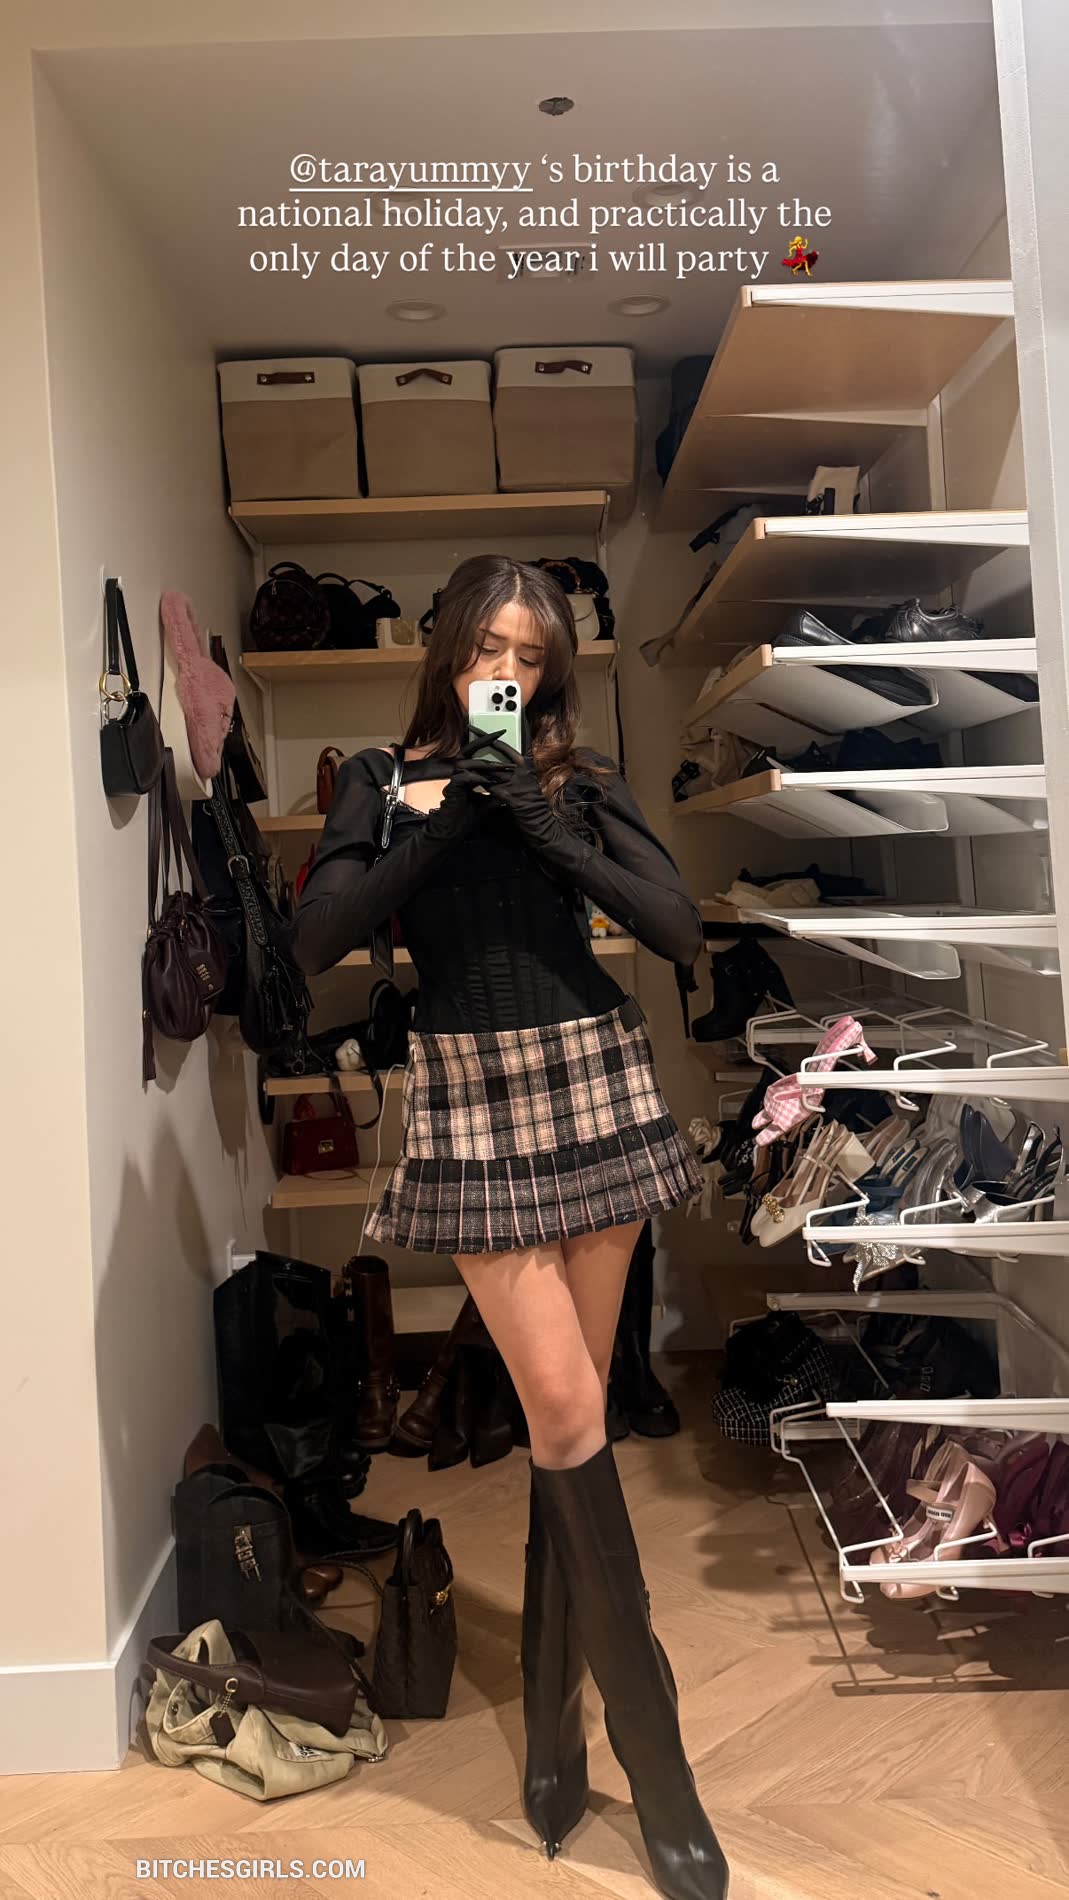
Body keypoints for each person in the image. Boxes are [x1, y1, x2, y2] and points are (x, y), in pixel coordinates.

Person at [294, 554, 729, 1900]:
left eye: (531, 656)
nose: (507, 672)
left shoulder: (579, 781)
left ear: (552, 670)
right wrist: (447, 822)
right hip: (470, 1099)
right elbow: (315, 937)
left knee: (565, 1423)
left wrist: (542, 822)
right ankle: (660, 1767)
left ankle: (553, 1732)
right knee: (564, 1410)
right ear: (445, 649)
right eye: (488, 647)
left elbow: (676, 929)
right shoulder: (381, 779)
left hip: (593, 1078)